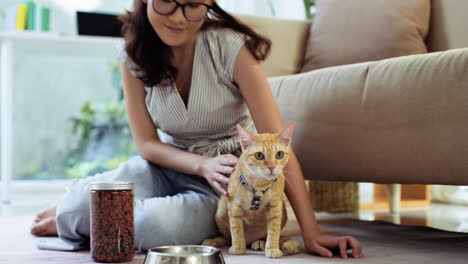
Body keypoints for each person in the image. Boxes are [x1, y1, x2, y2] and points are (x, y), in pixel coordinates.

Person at [30, 0, 362, 258]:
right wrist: (200, 164)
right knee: (75, 208)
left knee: (147, 226)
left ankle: (86, 218)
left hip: (226, 184)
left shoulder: (232, 48)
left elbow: (279, 147)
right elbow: (146, 143)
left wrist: (312, 231)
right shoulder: (133, 53)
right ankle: (78, 210)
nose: (177, 17)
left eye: (192, 5)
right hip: (165, 164)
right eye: (167, 3)